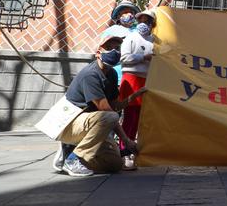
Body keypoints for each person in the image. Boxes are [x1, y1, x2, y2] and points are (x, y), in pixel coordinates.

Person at [53, 27, 147, 176]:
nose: (114, 51)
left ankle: (74, 150)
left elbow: (115, 106)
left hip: (91, 124)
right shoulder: (91, 75)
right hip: (71, 123)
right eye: (108, 48)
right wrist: (126, 139)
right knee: (110, 117)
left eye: (117, 48)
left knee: (114, 164)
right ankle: (73, 158)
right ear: (98, 53)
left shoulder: (111, 74)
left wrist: (135, 95)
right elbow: (107, 111)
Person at [118, 9, 156, 170]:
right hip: (132, 79)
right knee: (130, 118)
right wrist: (143, 57)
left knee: (142, 117)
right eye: (141, 20)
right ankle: (124, 151)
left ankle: (136, 150)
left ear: (152, 24)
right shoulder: (131, 38)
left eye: (147, 21)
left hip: (147, 80)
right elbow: (124, 58)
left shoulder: (155, 40)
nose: (144, 23)